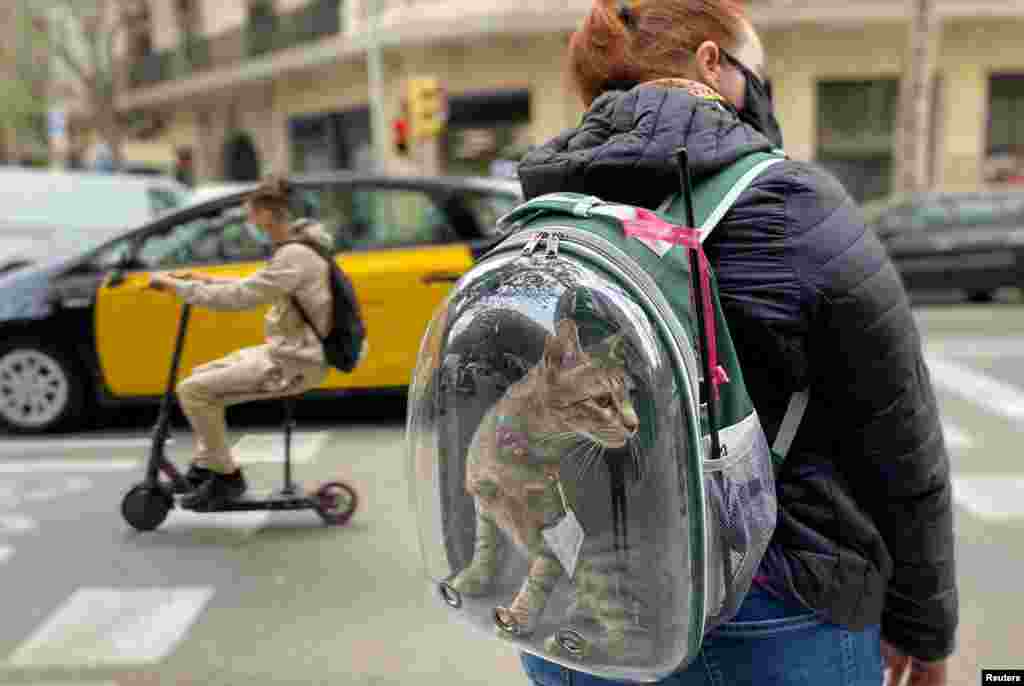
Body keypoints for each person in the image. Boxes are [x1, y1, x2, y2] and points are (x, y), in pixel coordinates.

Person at [515, 1, 957, 684]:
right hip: (763, 603)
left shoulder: (536, 208)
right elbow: (899, 437)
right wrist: (924, 626)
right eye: (759, 75)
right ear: (713, 63)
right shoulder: (793, 205)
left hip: (574, 605)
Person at [149, 175, 334, 511]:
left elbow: (241, 297)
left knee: (194, 391)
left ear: (266, 214)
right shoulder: (297, 247)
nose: (248, 220)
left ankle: (227, 478)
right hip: (288, 352)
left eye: (250, 213)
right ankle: (207, 465)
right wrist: (206, 280)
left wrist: (178, 289)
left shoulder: (294, 255)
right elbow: (254, 285)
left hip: (294, 364)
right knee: (202, 375)